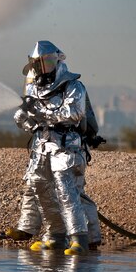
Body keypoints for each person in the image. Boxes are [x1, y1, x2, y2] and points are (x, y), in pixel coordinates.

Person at [10, 40, 100, 255]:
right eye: (39, 63)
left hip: (66, 148)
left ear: (58, 61)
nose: (44, 67)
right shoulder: (33, 88)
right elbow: (21, 119)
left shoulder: (73, 86)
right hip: (41, 147)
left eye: (48, 61)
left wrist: (40, 114)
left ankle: (79, 238)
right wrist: (26, 114)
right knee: (40, 188)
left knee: (66, 190)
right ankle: (55, 236)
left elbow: (73, 114)